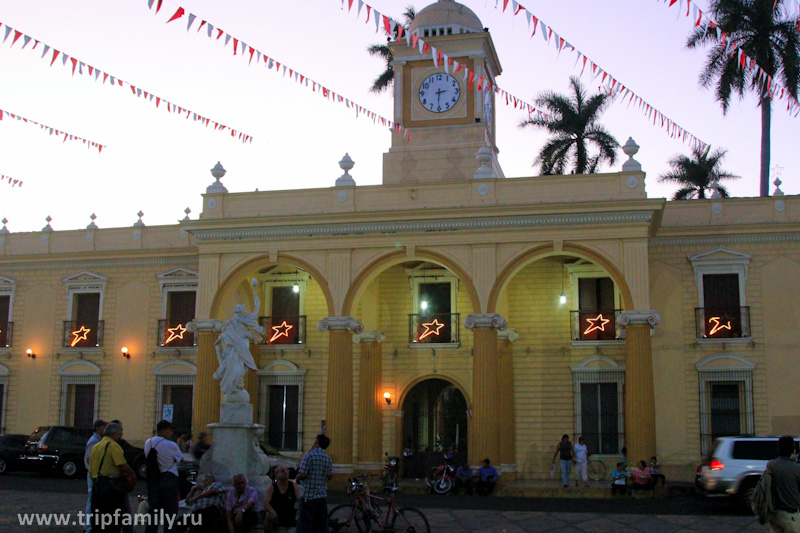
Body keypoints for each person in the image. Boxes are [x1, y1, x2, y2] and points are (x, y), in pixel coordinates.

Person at [213, 278, 264, 398]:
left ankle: (234, 384)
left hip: (238, 347)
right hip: (236, 348)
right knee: (235, 368)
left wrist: (255, 290)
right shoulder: (235, 321)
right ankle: (232, 385)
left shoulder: (237, 321)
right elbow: (257, 306)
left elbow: (257, 306)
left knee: (239, 368)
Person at [88, 422, 135, 533]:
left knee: (98, 519)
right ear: (114, 433)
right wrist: (132, 475)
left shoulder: (95, 446)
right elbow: (122, 465)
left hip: (97, 486)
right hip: (111, 488)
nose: (121, 435)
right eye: (120, 432)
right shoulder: (113, 446)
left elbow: (90, 465)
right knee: (112, 521)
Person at [144, 420, 184, 533]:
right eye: (169, 430)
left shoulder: (148, 442)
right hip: (169, 478)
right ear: (163, 430)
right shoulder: (171, 445)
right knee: (170, 512)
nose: (171, 433)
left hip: (153, 479)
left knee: (153, 511)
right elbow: (181, 459)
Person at [296, 434, 333, 533]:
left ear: (316, 442)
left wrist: (298, 477)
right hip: (321, 495)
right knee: (321, 523)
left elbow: (303, 474)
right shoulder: (327, 458)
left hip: (308, 495)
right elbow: (329, 476)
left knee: (305, 523)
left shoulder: (308, 456)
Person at [767, 435, 800, 532]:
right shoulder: (796, 468)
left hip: (775, 513)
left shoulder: (771, 465)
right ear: (792, 450)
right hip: (791, 514)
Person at [84, 419, 107, 532]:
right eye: (103, 427)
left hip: (94, 473)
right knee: (92, 500)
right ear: (98, 428)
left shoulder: (97, 440)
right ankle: (88, 526)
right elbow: (89, 458)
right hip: (93, 473)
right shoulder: (94, 441)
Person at [264, 465, 301, 532]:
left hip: (290, 518)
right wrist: (272, 511)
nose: (286, 472)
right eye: (282, 471)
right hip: (276, 518)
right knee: (268, 516)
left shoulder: (293, 485)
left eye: (287, 470)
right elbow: (266, 503)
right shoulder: (272, 487)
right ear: (276, 474)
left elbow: (300, 500)